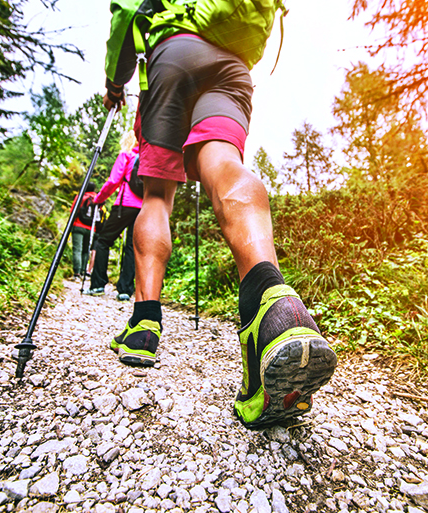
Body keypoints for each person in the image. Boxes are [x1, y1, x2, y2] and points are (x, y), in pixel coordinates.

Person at [102, 2, 337, 429]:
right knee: (225, 163)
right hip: (231, 65)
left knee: (156, 196)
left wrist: (114, 82)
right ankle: (274, 302)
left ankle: (144, 323)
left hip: (174, 56)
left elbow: (125, 15)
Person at [83, 130, 142, 301]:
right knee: (132, 247)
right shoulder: (147, 158)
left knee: (103, 241)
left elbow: (113, 181)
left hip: (125, 205)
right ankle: (125, 290)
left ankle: (98, 284)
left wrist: (98, 199)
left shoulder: (126, 155)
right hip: (142, 208)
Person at [69, 183, 100, 280]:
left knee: (77, 249)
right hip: (91, 229)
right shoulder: (97, 198)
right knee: (85, 250)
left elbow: (73, 210)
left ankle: (77, 273)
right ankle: (83, 271)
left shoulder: (81, 196)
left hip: (78, 225)